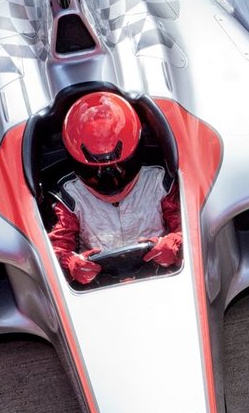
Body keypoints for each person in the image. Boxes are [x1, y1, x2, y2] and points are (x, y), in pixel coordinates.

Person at [47, 91, 182, 285]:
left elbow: (191, 227)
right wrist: (70, 264)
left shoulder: (160, 182)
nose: (110, 178)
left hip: (162, 276)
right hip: (100, 286)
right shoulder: (68, 198)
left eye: (119, 166)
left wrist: (175, 244)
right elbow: (55, 249)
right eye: (97, 171)